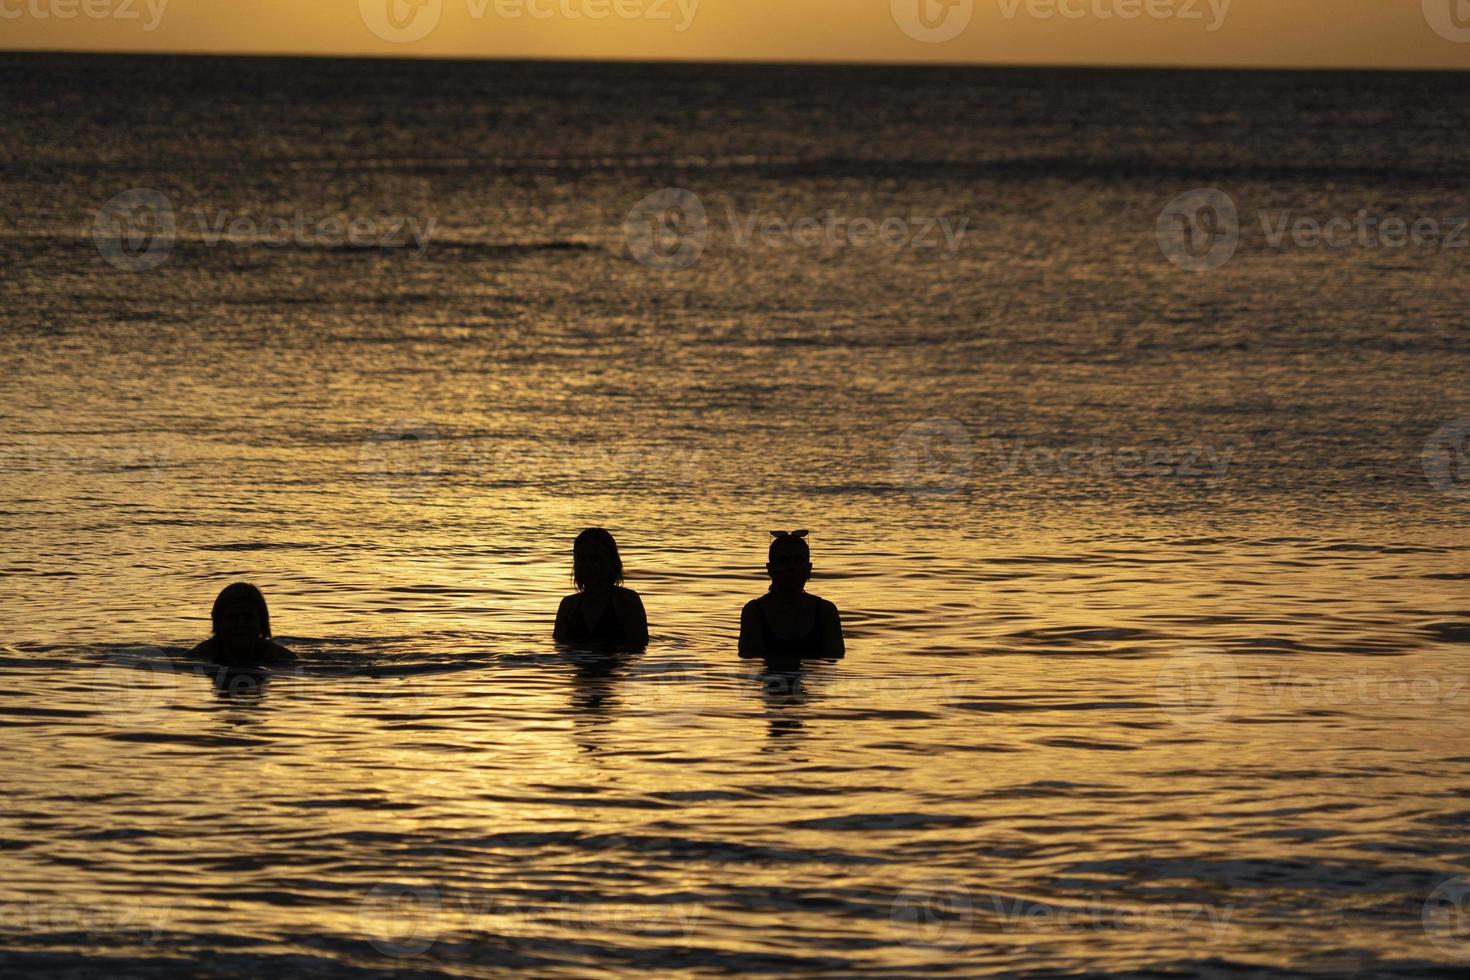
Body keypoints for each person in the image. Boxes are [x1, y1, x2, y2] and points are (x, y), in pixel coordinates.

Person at [739, 530, 844, 661]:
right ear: (770, 569)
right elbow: (750, 662)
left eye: (798, 561)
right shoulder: (754, 611)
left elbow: (834, 661)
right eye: (784, 561)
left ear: (808, 569)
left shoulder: (826, 611)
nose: (791, 567)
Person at [554, 528, 649, 647]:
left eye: (596, 559)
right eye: (581, 559)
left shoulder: (627, 601)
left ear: (612, 563)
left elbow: (638, 649)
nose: (587, 566)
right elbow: (559, 649)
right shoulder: (568, 605)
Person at [188, 582, 297, 665]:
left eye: (248, 617)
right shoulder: (199, 655)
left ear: (262, 622)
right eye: (233, 617)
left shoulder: (282, 657)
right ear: (218, 621)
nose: (241, 623)